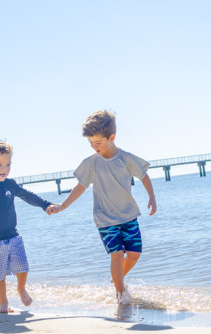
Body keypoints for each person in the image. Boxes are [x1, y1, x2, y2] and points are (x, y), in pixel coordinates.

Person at [51, 110, 157, 304]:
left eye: (98, 143)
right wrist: (63, 206)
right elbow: (80, 187)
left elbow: (144, 176)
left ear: (112, 137)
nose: (94, 147)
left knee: (134, 255)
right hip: (105, 219)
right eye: (90, 143)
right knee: (116, 255)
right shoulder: (90, 163)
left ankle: (116, 279)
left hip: (128, 216)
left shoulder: (126, 158)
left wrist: (152, 197)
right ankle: (120, 296)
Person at [0, 140, 61, 313]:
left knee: (23, 266)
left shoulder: (10, 184)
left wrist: (45, 204)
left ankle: (21, 288)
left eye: (8, 164)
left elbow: (27, 195)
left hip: (12, 236)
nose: (4, 169)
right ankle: (3, 302)